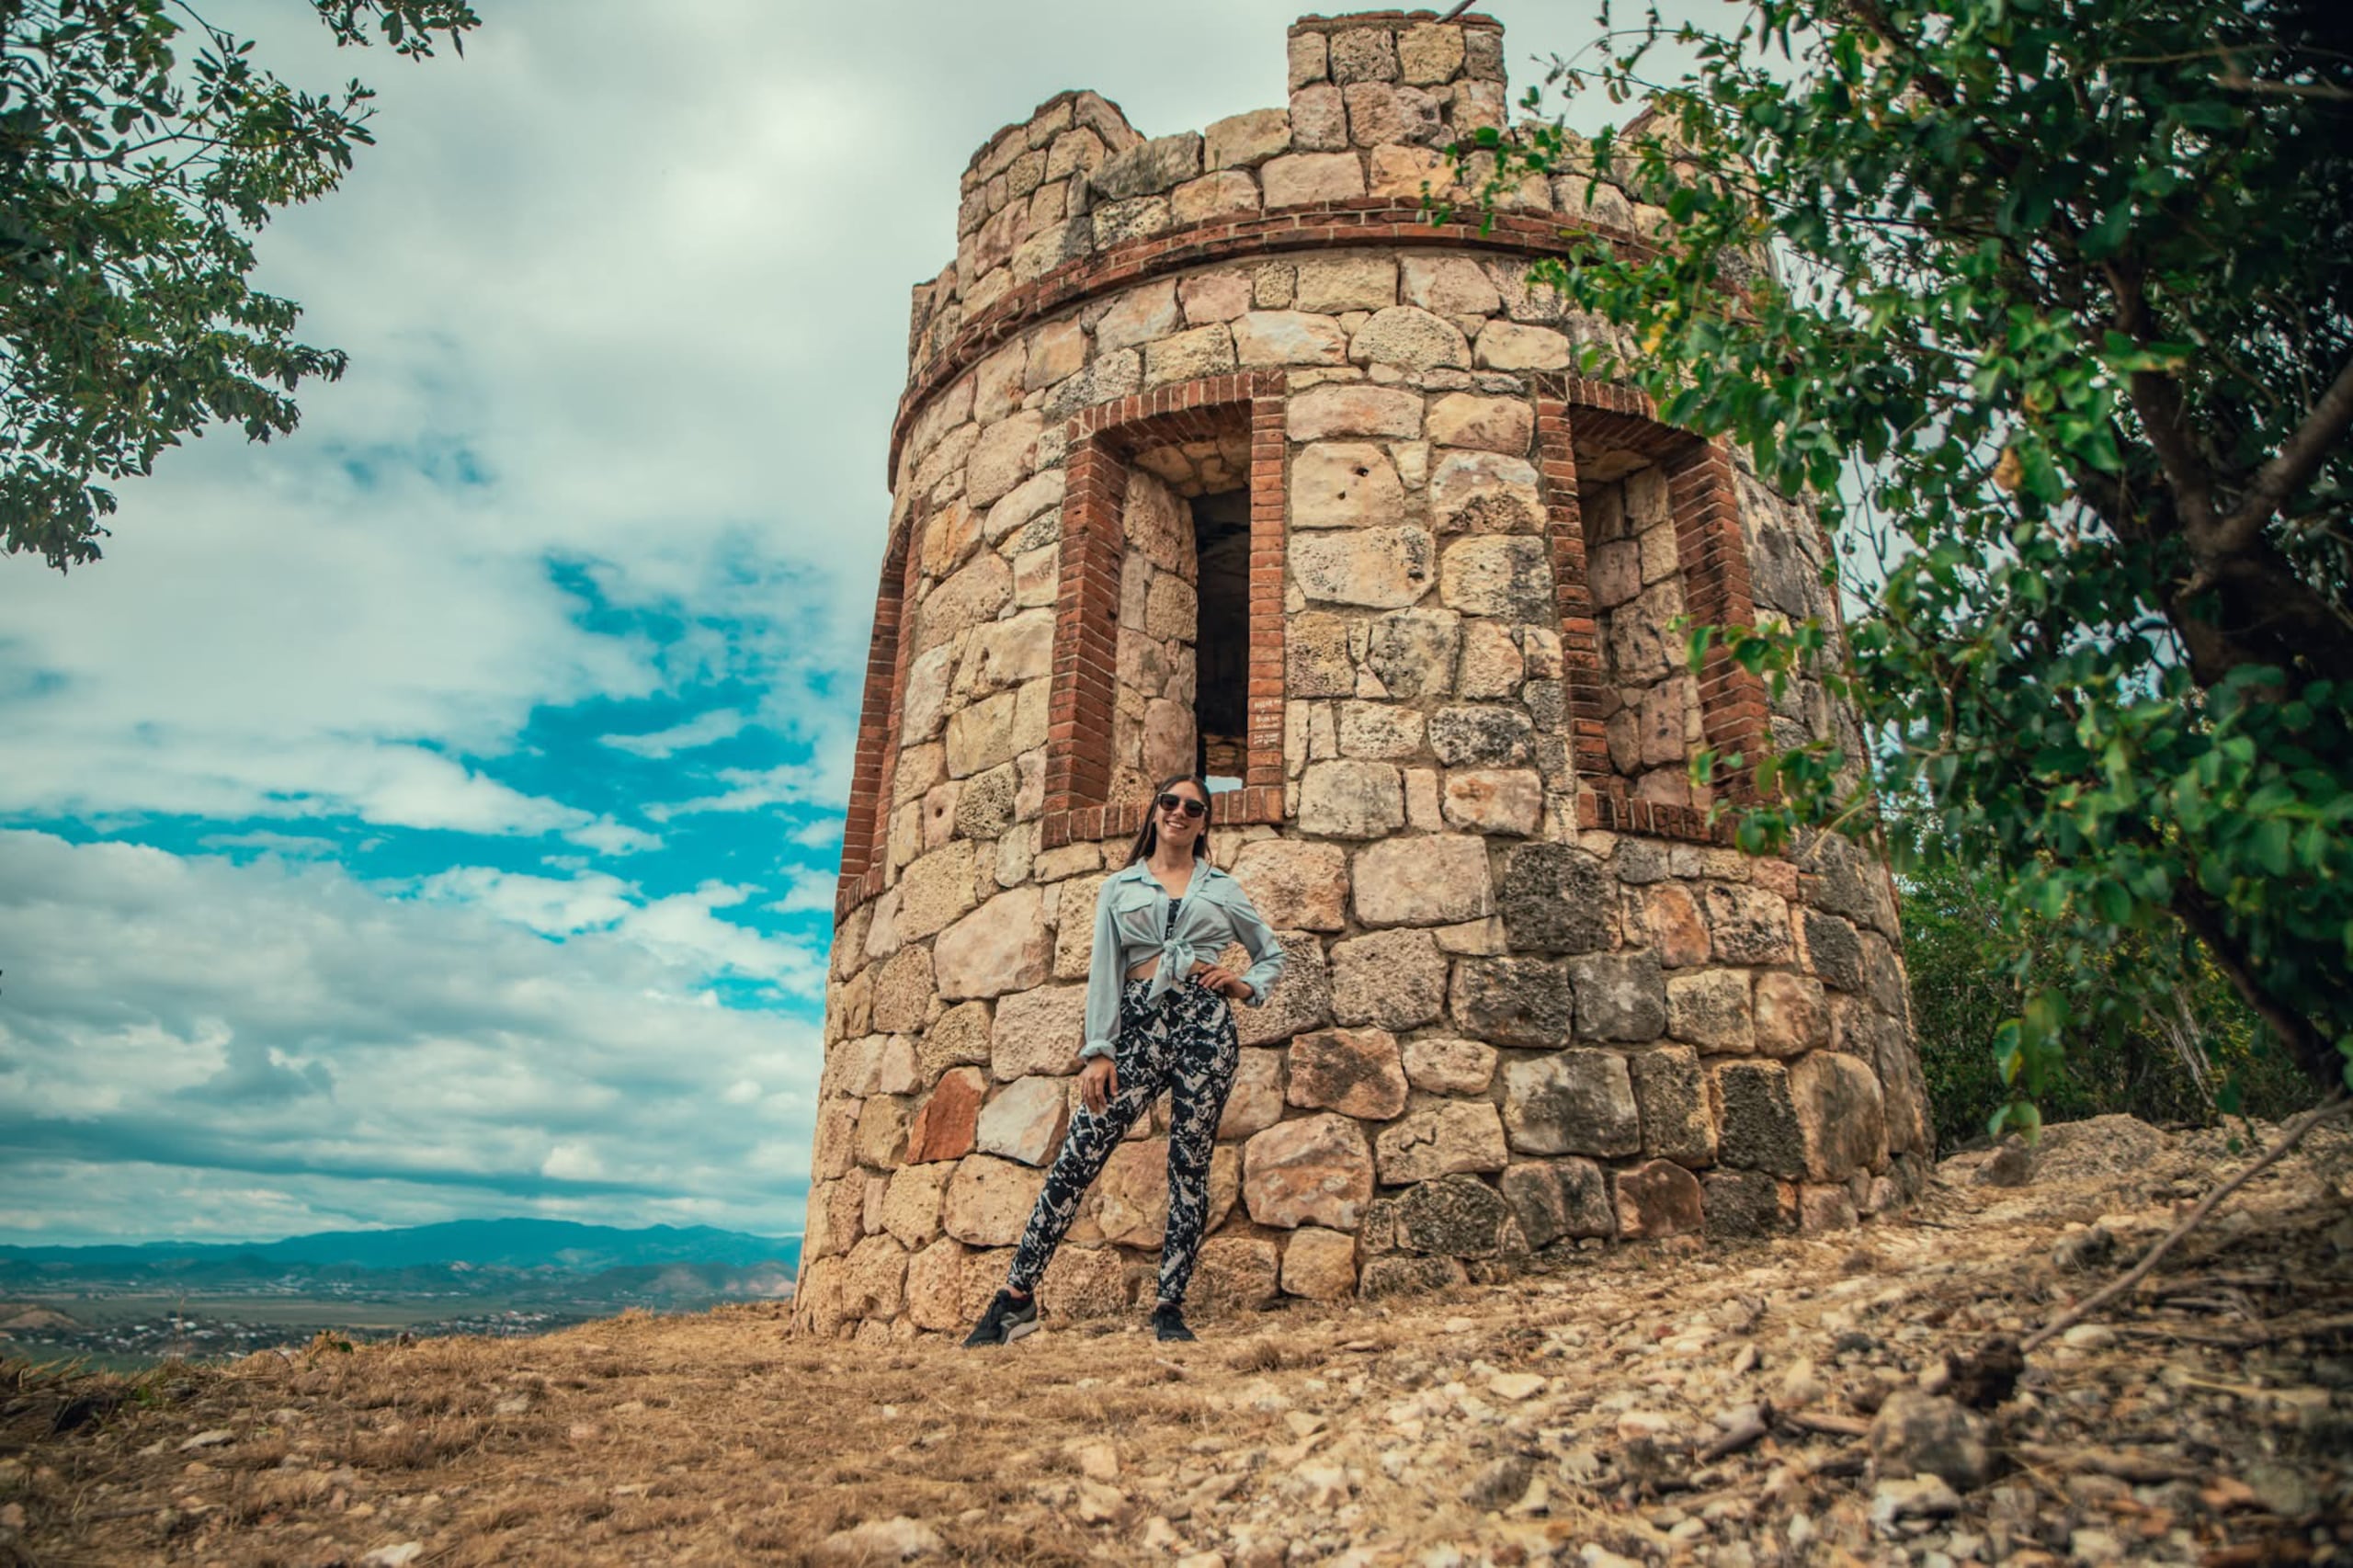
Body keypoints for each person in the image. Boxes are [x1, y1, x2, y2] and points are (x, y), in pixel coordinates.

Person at [962, 774, 1286, 1346]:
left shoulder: (1224, 888)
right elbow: (1104, 972)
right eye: (1170, 803)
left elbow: (1271, 953)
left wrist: (1241, 985)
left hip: (1205, 1026)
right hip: (1137, 1024)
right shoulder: (1121, 886)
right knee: (1079, 1154)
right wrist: (1099, 1051)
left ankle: (1169, 1304)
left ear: (1205, 821)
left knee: (1189, 1164)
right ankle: (1017, 1297)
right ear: (1155, 812)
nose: (1180, 813)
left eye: (1193, 807)